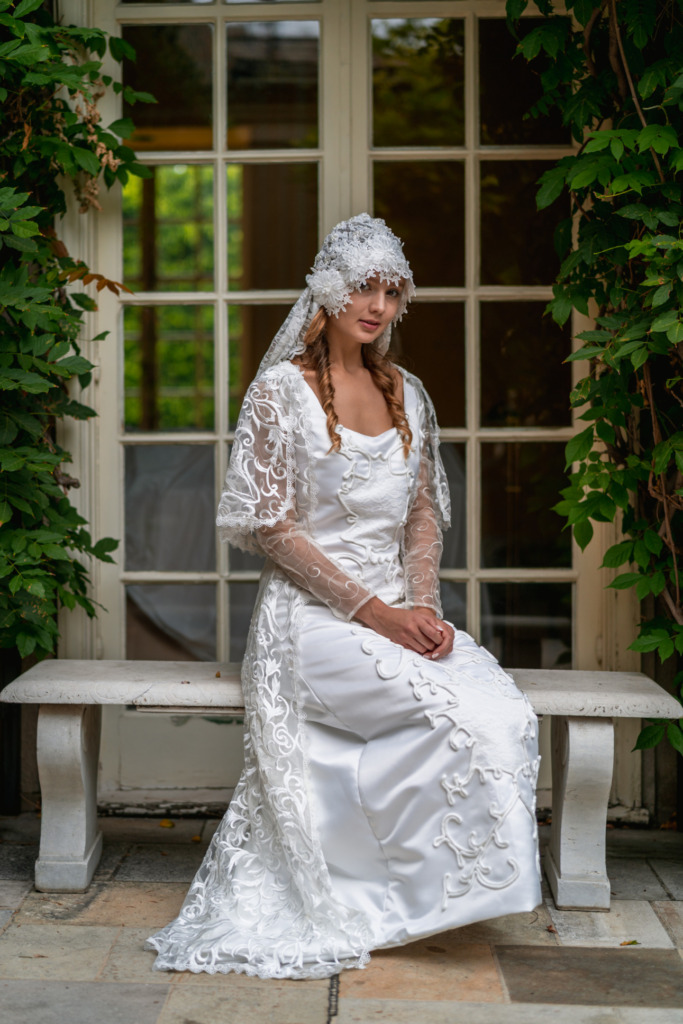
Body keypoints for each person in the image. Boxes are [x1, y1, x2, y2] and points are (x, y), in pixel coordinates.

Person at [146, 214, 541, 980]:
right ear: (328, 290)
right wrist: (378, 615)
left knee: (501, 713)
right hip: (312, 623)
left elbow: (422, 513)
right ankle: (373, 896)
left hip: (402, 611)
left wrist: (420, 606)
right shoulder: (278, 394)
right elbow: (273, 531)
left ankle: (425, 890)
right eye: (364, 286)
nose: (378, 305)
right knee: (451, 713)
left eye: (392, 292)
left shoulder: (407, 393)